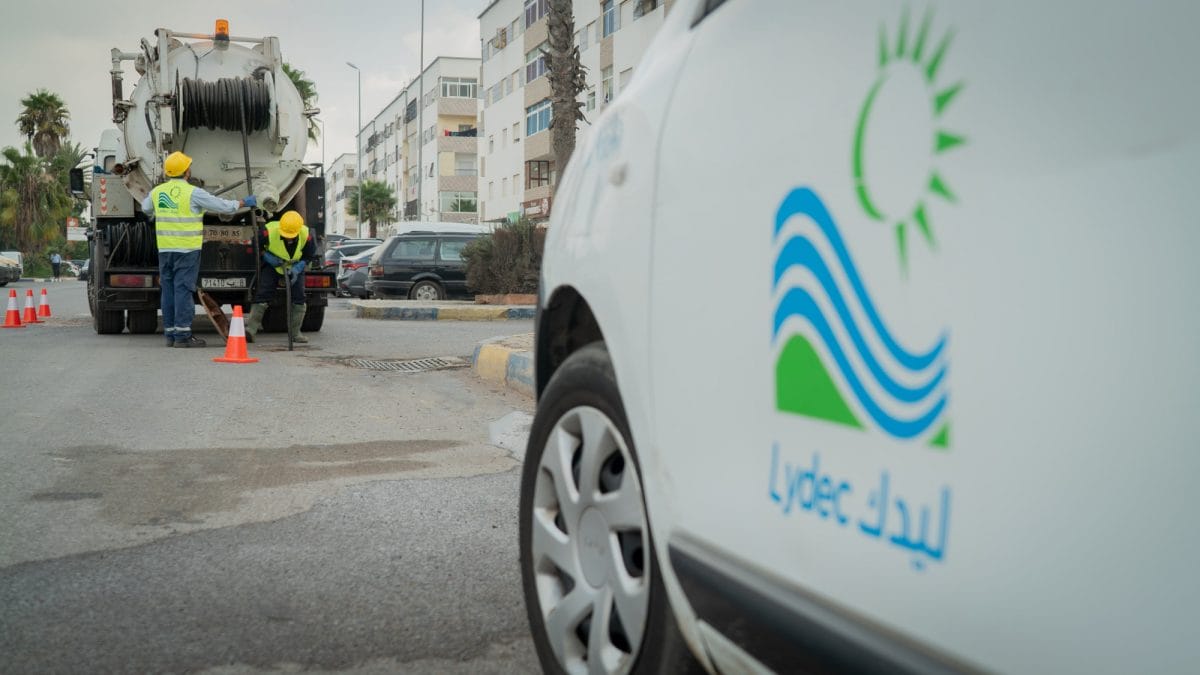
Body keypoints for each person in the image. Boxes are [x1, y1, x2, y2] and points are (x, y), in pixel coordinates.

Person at [141, 151, 256, 348]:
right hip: (187, 250)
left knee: (168, 290)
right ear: (186, 171)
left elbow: (146, 209)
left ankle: (170, 334)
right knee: (183, 290)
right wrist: (244, 202)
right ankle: (183, 336)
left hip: (165, 249)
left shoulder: (158, 192)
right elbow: (223, 206)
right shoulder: (193, 192)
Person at [244, 210, 315, 344]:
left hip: (294, 268)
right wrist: (266, 256)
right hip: (273, 265)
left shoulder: (306, 235)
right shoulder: (269, 230)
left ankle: (295, 334)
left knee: (299, 297)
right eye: (286, 235)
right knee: (263, 293)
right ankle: (251, 330)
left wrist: (298, 268)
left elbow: (309, 255)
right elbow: (255, 243)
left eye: (291, 236)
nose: (288, 238)